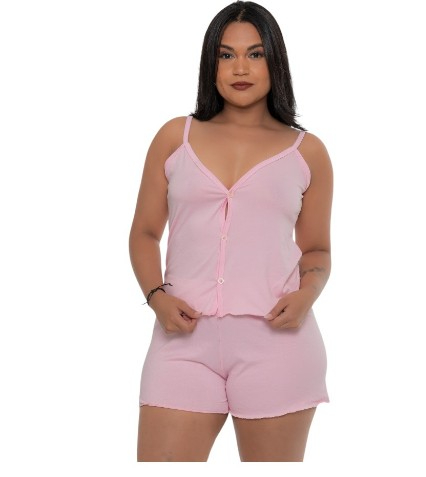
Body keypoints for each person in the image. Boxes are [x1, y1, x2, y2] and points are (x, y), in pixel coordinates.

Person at [129, 0, 333, 462]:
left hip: (278, 345)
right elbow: (144, 232)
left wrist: (307, 295)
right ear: (211, 64)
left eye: (255, 53)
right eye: (226, 55)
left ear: (275, 61)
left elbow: (317, 250)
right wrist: (156, 297)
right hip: (181, 342)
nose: (240, 67)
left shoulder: (308, 153)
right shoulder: (175, 137)